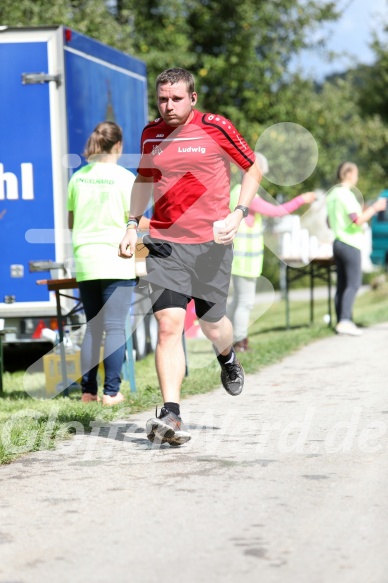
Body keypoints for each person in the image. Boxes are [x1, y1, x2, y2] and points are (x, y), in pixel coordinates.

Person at [119, 67, 263, 446]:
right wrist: (132, 224)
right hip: (165, 244)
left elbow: (254, 168)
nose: (168, 106)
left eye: (176, 99)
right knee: (169, 326)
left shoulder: (216, 128)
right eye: (162, 99)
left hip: (211, 246)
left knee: (214, 325)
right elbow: (144, 180)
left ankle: (228, 357)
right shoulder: (151, 134)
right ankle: (172, 414)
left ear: (193, 98)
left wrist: (239, 212)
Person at [68, 121, 142, 405]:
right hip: (117, 257)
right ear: (119, 146)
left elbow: (71, 222)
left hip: (86, 259)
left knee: (93, 327)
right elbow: (132, 221)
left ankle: (88, 392)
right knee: (114, 327)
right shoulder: (126, 178)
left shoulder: (78, 178)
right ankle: (111, 392)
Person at [228, 155, 316, 352]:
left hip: (237, 257)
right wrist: (303, 198)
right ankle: (239, 342)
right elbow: (278, 211)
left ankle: (227, 338)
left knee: (237, 300)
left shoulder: (235, 192)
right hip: (245, 259)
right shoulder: (248, 195)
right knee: (245, 302)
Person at [326, 161, 387, 336]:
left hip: (337, 242)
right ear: (349, 174)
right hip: (350, 243)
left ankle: (341, 321)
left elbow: (328, 222)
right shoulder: (346, 195)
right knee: (353, 284)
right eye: (356, 173)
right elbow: (357, 220)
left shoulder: (332, 195)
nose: (357, 177)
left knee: (342, 284)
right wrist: (375, 208)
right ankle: (345, 321)